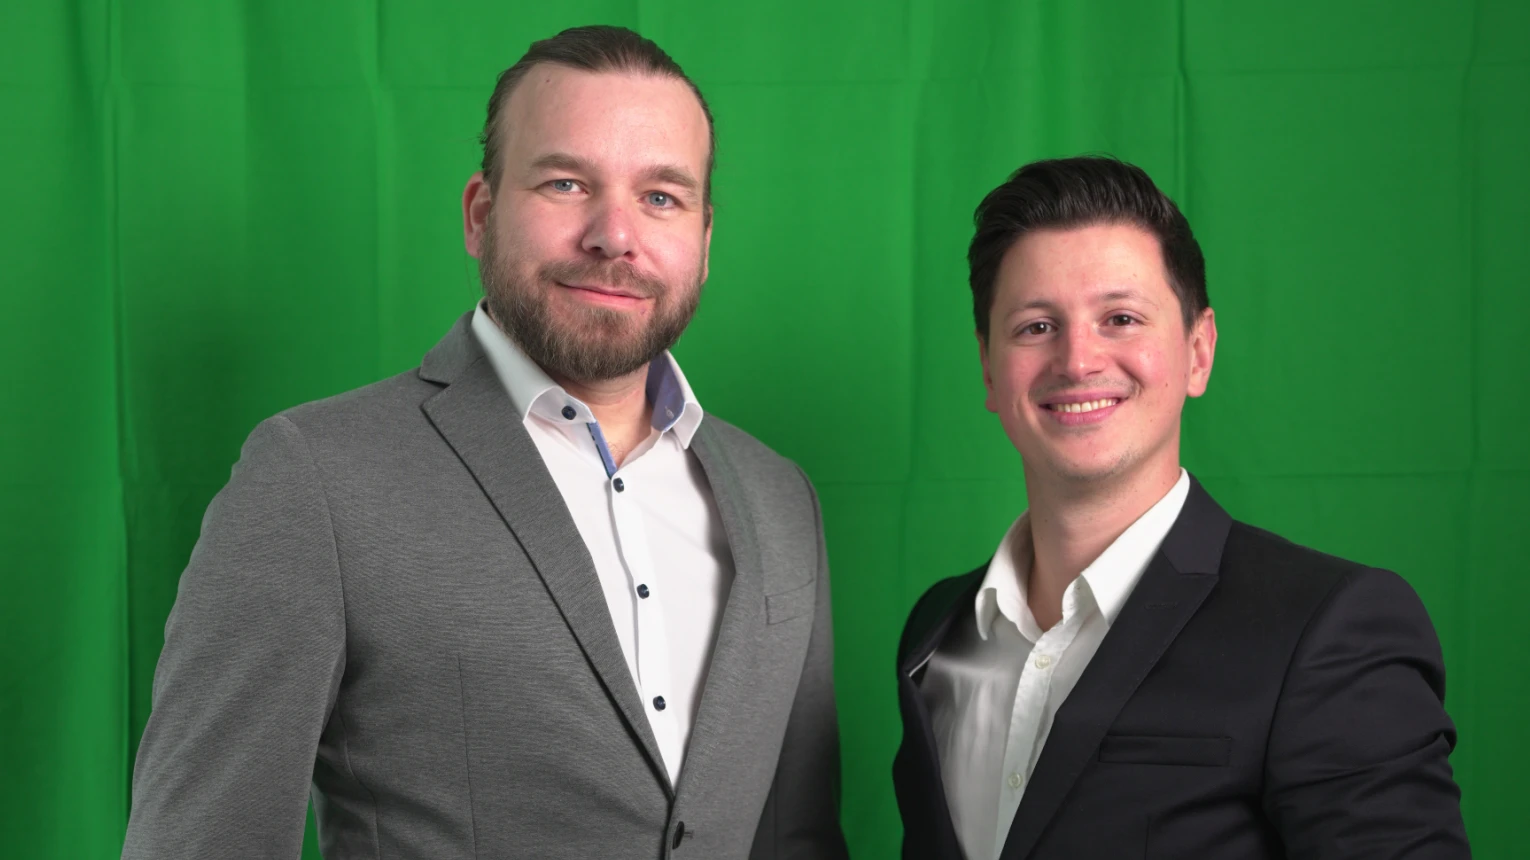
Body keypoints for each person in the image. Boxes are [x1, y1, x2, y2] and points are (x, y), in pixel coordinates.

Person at [123, 25, 847, 860]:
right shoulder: (314, 479)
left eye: (661, 197)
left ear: (705, 241)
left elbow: (798, 839)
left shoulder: (780, 500)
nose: (615, 235)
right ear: (480, 214)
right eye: (567, 183)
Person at [893, 156, 1469, 859]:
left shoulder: (1328, 629)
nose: (1078, 360)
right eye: (1036, 327)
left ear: (1198, 352)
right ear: (989, 367)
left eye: (1121, 318)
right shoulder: (938, 634)